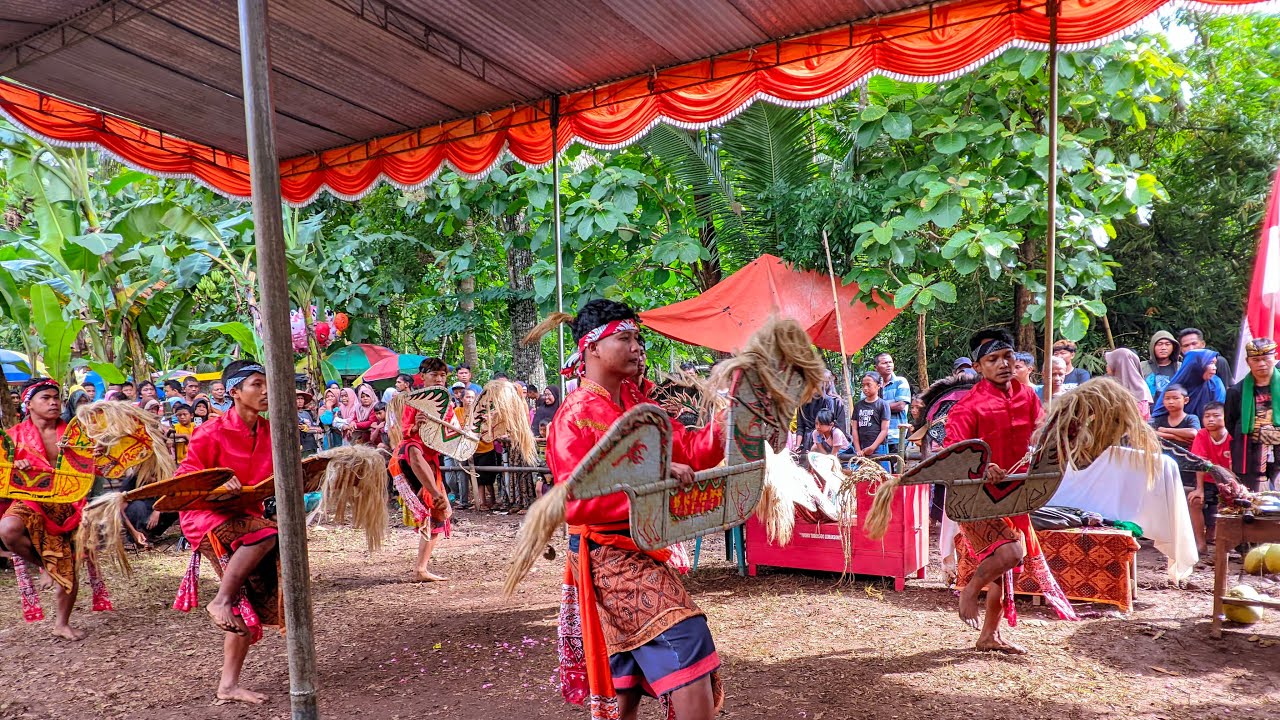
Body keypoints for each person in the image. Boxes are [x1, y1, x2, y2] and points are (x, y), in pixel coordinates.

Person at [543, 299, 725, 720]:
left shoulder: (642, 408)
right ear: (592, 349)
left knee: (626, 675)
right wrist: (653, 479)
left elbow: (693, 453)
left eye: (637, 337)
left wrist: (732, 422)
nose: (637, 346)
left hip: (643, 549)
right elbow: (576, 503)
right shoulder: (574, 415)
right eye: (624, 338)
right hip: (607, 555)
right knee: (685, 637)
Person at [174, 360, 281, 704]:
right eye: (255, 384)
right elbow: (185, 478)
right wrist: (218, 480)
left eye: (267, 384)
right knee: (266, 534)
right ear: (234, 392)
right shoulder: (209, 431)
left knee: (245, 606)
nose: (265, 391)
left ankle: (228, 686)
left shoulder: (272, 431)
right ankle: (219, 599)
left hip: (245, 519)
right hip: (205, 517)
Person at [944, 328, 1049, 655]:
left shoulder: (1028, 396)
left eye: (1008, 357)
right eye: (993, 359)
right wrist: (982, 467)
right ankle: (970, 589)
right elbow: (952, 453)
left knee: (1006, 573)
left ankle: (989, 635)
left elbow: (1042, 429)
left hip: (1015, 495)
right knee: (1011, 554)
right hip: (976, 498)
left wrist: (1046, 434)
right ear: (978, 367)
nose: (1003, 364)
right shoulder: (967, 407)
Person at [0, 379, 86, 640]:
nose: (53, 402)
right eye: (45, 398)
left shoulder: (77, 433)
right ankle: (45, 564)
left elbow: (92, 464)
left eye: (56, 397)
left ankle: (62, 623)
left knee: (68, 564)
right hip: (30, 499)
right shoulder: (13, 437)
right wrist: (17, 466)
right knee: (8, 528)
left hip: (68, 504)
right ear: (29, 404)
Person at [390, 358, 453, 581]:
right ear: (423, 376)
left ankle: (421, 568)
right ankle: (435, 495)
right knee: (413, 448)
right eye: (434, 375)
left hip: (431, 462)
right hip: (411, 457)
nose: (439, 379)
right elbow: (406, 432)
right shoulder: (413, 402)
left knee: (440, 514)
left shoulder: (448, 405)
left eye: (442, 375)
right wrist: (417, 424)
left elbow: (450, 436)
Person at [1225, 338, 1280, 492]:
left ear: (1275, 357)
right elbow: (1230, 423)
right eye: (1256, 360)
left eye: (1265, 359)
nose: (1261, 364)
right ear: (1248, 361)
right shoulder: (1236, 391)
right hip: (1250, 451)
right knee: (1251, 495)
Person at [1189, 402, 1230, 555]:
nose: (1210, 419)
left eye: (1216, 416)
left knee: (1228, 507)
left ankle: (1223, 546)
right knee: (1195, 501)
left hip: (1227, 482)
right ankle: (1200, 544)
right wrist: (1199, 489)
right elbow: (1200, 463)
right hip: (1206, 480)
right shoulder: (1201, 434)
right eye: (1207, 416)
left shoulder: (1231, 435)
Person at [1152, 349, 1225, 422]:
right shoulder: (1175, 386)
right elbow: (1157, 418)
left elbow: (1217, 414)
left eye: (1215, 364)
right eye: (1211, 363)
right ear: (1195, 364)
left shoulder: (1215, 384)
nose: (1214, 368)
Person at [1151, 383, 1201, 490]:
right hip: (1162, 464)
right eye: (1167, 398)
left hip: (1185, 465)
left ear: (1186, 400)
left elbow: (1193, 433)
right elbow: (1150, 433)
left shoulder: (1191, 418)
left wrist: (1166, 430)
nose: (1171, 402)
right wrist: (1176, 437)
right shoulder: (1160, 419)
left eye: (1175, 398)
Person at [796, 371, 847, 455]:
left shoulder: (835, 402)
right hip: (809, 443)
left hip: (832, 445)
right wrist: (797, 446)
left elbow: (840, 429)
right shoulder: (803, 403)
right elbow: (800, 427)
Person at [874, 353, 911, 454]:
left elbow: (900, 406)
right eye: (885, 363)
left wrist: (876, 407)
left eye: (890, 362)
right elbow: (865, 407)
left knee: (897, 466)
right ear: (876, 367)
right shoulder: (871, 385)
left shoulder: (900, 382)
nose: (889, 365)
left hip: (896, 434)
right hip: (875, 437)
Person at [1105, 347, 1154, 420]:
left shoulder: (1139, 391)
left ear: (1119, 364)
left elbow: (1137, 421)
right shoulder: (1111, 384)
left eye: (1109, 363)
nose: (1106, 366)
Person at [852, 372, 891, 461]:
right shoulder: (858, 406)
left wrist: (872, 447)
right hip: (862, 447)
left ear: (878, 386)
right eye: (863, 385)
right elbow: (854, 428)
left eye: (869, 385)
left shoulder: (883, 405)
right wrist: (858, 449)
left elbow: (884, 430)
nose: (865, 388)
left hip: (879, 447)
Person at [1142, 330, 1181, 398]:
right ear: (1153, 347)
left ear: (1173, 347)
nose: (1163, 348)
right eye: (1159, 344)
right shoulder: (1142, 367)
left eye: (1167, 344)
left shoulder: (1180, 367)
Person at [296, 391, 319, 457]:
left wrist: (317, 429)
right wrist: (316, 430)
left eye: (301, 399)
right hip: (302, 444)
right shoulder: (292, 414)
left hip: (311, 444)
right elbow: (302, 427)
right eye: (298, 399)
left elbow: (311, 426)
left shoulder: (306, 413)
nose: (300, 401)